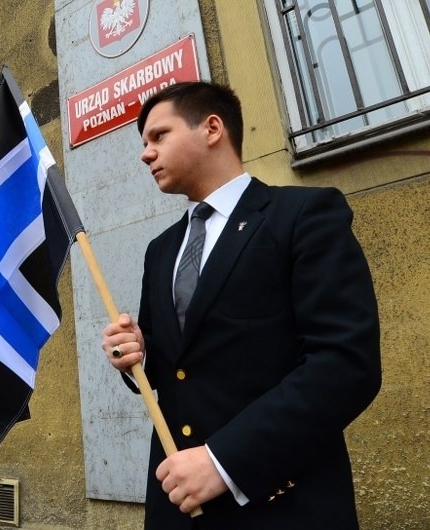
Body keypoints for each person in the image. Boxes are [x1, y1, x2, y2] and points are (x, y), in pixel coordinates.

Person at [101, 81, 381, 529]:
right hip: (176, 509)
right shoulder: (161, 249)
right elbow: (177, 367)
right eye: (144, 143)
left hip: (281, 504)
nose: (145, 154)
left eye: (159, 136)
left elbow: (345, 363)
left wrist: (222, 462)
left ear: (212, 128)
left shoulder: (304, 215)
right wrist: (138, 352)